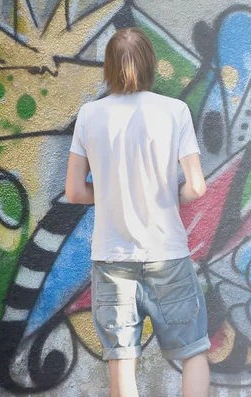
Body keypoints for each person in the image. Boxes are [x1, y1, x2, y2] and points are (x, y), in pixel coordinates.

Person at [65, 27, 210, 397]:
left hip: (112, 259)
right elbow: (196, 186)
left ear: (108, 68)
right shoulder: (174, 111)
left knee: (122, 360)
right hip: (168, 256)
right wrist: (162, 191)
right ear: (150, 63)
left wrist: (115, 192)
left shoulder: (89, 115)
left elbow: (75, 191)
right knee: (193, 353)